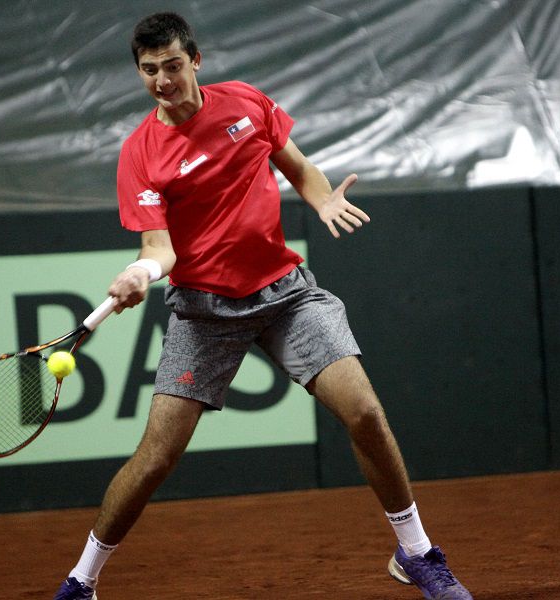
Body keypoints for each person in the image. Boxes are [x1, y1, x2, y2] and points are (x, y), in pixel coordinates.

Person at [54, 12, 473, 600]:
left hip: (285, 295)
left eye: (172, 66)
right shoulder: (140, 154)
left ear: (194, 61)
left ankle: (417, 553)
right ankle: (82, 580)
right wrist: (140, 271)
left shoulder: (246, 104)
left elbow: (297, 165)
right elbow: (160, 247)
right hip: (204, 313)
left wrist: (322, 199)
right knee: (153, 460)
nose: (162, 81)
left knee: (365, 414)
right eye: (149, 71)